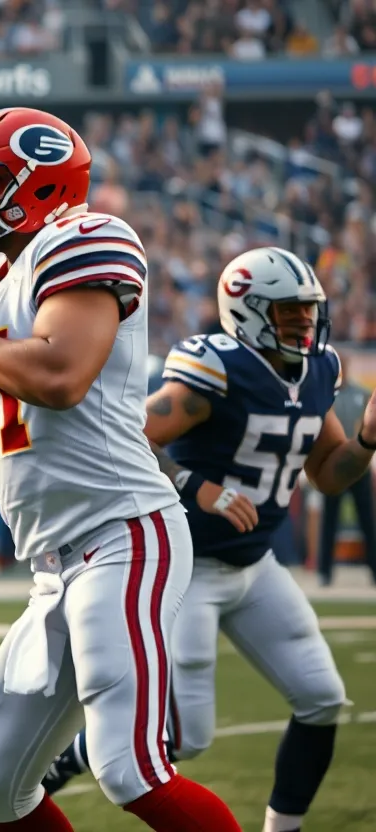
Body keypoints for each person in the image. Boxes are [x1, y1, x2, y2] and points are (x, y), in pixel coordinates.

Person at [0, 107, 242, 831]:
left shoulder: (86, 236)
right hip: (53, 567)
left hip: (123, 534)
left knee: (129, 768)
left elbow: (59, 376)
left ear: (39, 185)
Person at [44, 247, 357, 832]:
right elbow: (120, 436)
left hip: (254, 564)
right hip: (188, 566)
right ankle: (66, 759)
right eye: (290, 314)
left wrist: (365, 439)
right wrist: (196, 484)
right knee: (184, 739)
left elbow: (328, 472)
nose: (306, 325)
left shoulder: (319, 370)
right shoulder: (216, 367)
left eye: (309, 312)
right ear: (248, 312)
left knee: (321, 699)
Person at [315, 350, 376, 585]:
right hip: (334, 462)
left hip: (358, 464)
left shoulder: (362, 393)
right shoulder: (326, 396)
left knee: (367, 519)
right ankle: (324, 571)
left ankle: (373, 567)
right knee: (329, 519)